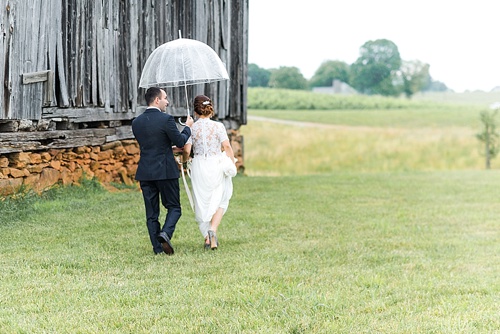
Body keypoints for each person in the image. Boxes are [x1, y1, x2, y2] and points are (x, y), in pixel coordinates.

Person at [132, 87, 193, 255]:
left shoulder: (136, 122)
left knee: (151, 213)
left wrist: (168, 147)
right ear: (157, 100)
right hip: (165, 171)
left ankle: (157, 249)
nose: (168, 101)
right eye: (165, 98)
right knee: (174, 207)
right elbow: (180, 140)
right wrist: (188, 127)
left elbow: (153, 144)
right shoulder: (166, 120)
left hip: (145, 171)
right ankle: (165, 233)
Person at [182, 95, 236, 250]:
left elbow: (187, 150)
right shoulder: (218, 126)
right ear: (210, 108)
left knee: (202, 201)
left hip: (199, 165)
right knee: (221, 199)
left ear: (196, 110)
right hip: (216, 164)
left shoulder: (192, 128)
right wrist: (232, 163)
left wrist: (185, 162)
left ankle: (207, 237)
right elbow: (227, 147)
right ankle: (213, 229)